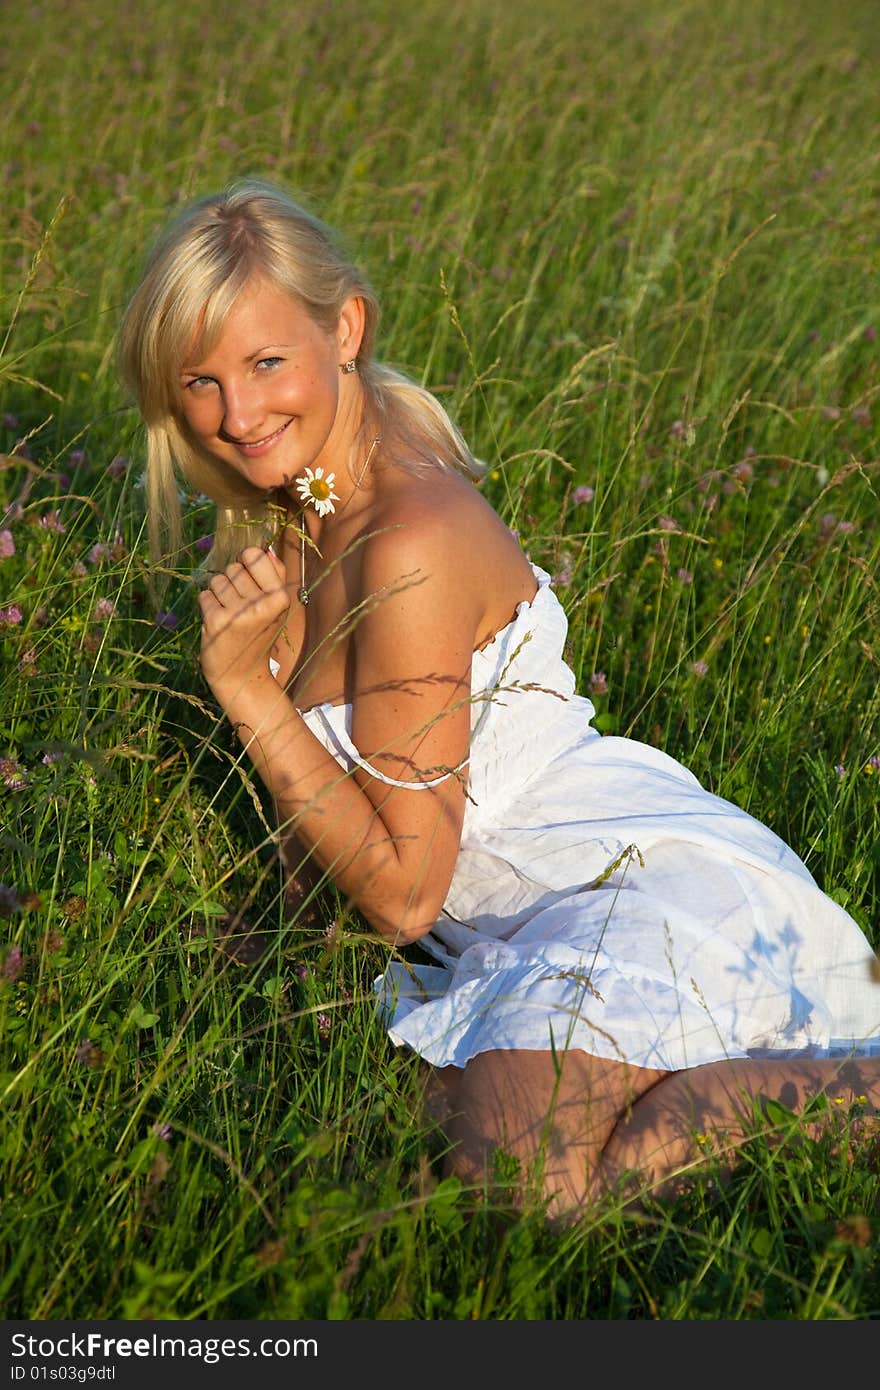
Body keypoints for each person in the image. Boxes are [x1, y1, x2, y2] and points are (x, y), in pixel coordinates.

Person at [117, 179, 880, 1223]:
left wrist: (248, 693)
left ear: (345, 328)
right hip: (511, 922)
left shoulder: (411, 543)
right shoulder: (309, 499)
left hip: (624, 889)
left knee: (530, 1193)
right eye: (199, 380)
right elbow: (329, 855)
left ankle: (853, 1094)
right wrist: (284, 948)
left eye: (264, 363)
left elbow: (399, 899)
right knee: (416, 1106)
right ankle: (648, 1078)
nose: (238, 415)